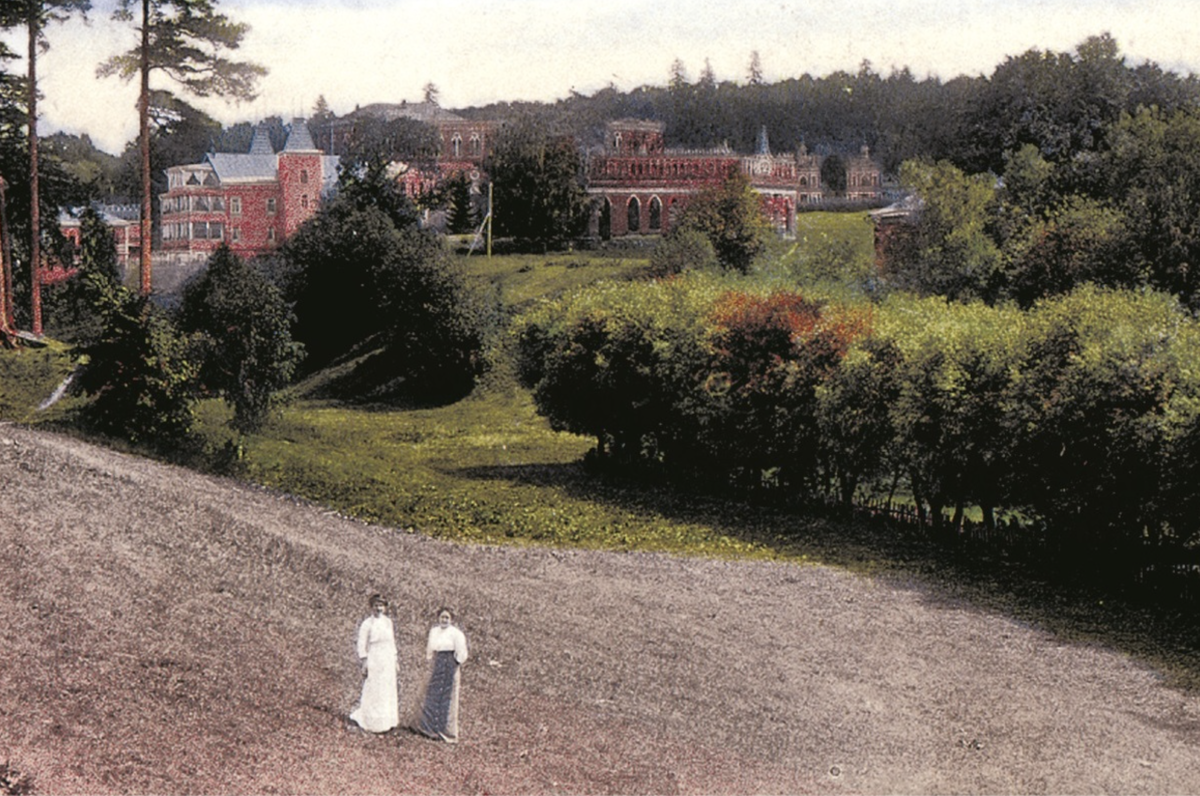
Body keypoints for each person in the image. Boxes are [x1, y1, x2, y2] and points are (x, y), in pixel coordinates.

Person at [349, 594, 400, 733]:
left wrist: (395, 659)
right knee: (374, 686)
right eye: (376, 605)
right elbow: (361, 643)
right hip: (375, 656)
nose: (379, 608)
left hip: (387, 657)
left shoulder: (388, 622)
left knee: (387, 687)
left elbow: (392, 641)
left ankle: (386, 721)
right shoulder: (367, 623)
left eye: (381, 606)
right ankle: (370, 721)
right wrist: (364, 660)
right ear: (372, 607)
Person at [417, 607, 469, 743]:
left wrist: (455, 663)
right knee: (432, 694)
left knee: (447, 696)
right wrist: (430, 660)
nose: (444, 620)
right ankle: (428, 728)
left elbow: (462, 652)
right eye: (442, 617)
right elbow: (430, 648)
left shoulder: (456, 634)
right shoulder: (434, 631)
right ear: (438, 618)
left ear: (451, 620)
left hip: (449, 663)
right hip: (437, 662)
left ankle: (444, 731)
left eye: (447, 618)